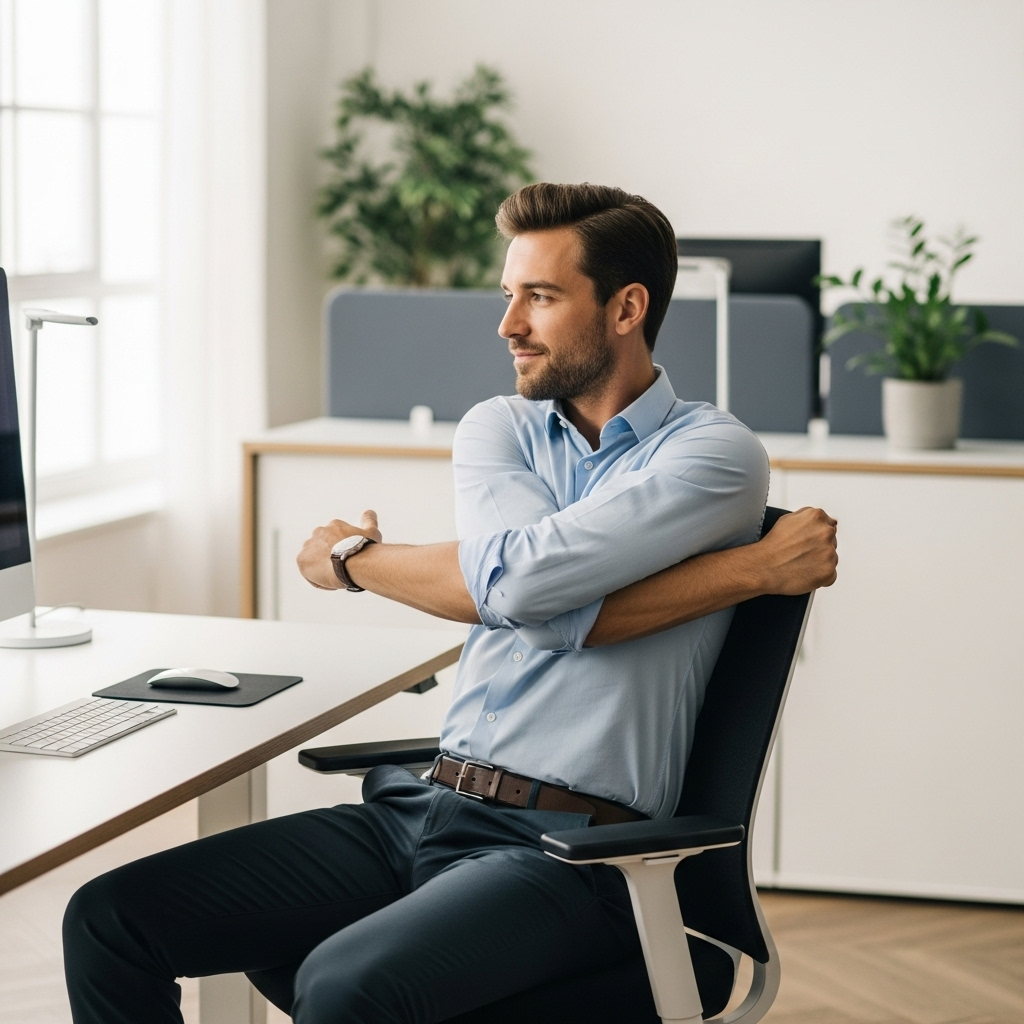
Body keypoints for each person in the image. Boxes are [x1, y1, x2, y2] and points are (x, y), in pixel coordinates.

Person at [63, 183, 837, 1024]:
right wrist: (745, 573)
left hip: (572, 852)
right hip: (423, 805)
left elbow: (517, 587)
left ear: (627, 308)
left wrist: (355, 561)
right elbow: (522, 592)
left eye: (539, 298)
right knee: (109, 920)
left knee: (341, 985)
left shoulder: (714, 454)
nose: (509, 326)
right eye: (510, 295)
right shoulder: (498, 426)